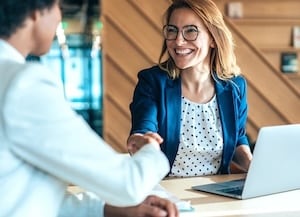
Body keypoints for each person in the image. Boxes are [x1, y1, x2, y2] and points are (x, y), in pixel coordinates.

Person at [0, 0, 179, 217]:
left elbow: (18, 195)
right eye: (58, 7)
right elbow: (129, 185)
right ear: (36, 12)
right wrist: (151, 149)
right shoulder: (24, 83)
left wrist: (107, 209)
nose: (59, 17)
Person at [127, 0, 252, 177]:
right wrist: (141, 140)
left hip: (216, 192)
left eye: (191, 31)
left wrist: (252, 164)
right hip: (165, 191)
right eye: (172, 30)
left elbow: (238, 137)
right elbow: (144, 127)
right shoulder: (153, 81)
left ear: (213, 39)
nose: (178, 41)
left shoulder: (234, 86)